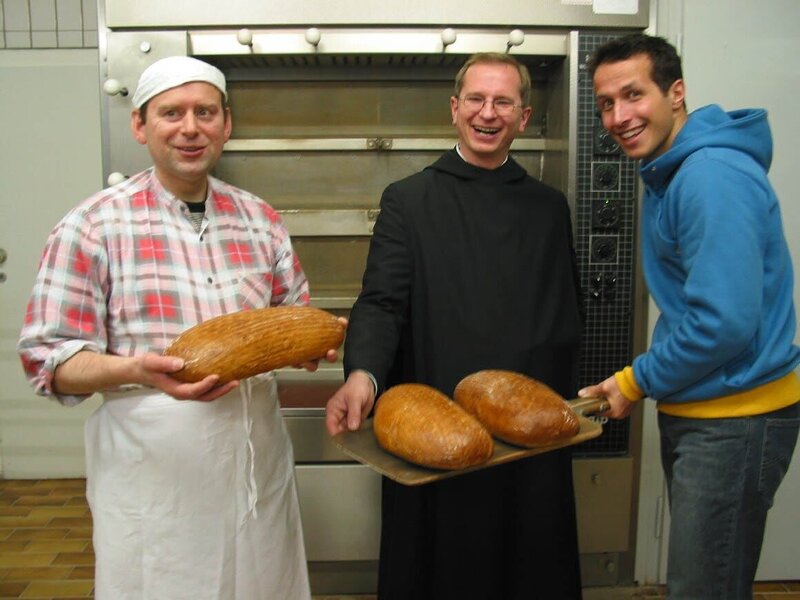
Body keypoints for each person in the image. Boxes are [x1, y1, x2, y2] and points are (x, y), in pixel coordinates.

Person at [17, 56, 335, 599]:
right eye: (172, 113)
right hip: (154, 468)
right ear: (140, 125)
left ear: (226, 124)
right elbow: (48, 360)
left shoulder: (260, 218)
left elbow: (291, 317)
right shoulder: (92, 224)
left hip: (253, 453)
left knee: (260, 583)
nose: (191, 128)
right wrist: (134, 368)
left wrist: (310, 345)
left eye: (205, 112)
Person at [325, 52, 585, 599]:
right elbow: (381, 303)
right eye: (476, 99)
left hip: (526, 426)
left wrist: (561, 407)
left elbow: (565, 316)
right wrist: (364, 374)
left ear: (524, 115)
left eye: (502, 102)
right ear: (454, 108)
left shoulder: (548, 207)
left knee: (527, 561)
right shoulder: (409, 200)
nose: (487, 113)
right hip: (436, 421)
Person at [580, 34, 800, 599]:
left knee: (704, 589)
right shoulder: (669, 171)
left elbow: (723, 323)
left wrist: (635, 379)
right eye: (606, 102)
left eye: (633, 94)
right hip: (710, 408)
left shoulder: (708, 177)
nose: (618, 116)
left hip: (734, 417)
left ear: (676, 93)